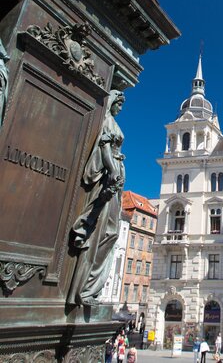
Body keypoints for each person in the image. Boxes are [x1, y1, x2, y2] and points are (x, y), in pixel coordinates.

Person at [67, 90, 126, 306]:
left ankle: (90, 286)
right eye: (118, 103)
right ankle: (84, 289)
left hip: (115, 179)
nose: (120, 107)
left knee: (111, 232)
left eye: (121, 104)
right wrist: (112, 170)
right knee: (103, 230)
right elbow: (104, 147)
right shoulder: (107, 122)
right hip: (108, 178)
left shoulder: (112, 122)